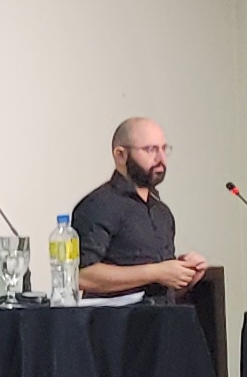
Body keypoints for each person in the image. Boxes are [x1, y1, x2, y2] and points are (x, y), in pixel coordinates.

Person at [72, 116, 207, 304]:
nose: (161, 159)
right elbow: (81, 276)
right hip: (117, 327)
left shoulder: (161, 212)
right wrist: (156, 272)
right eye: (150, 149)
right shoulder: (99, 205)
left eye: (164, 149)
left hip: (161, 323)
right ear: (120, 155)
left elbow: (158, 290)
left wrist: (185, 274)